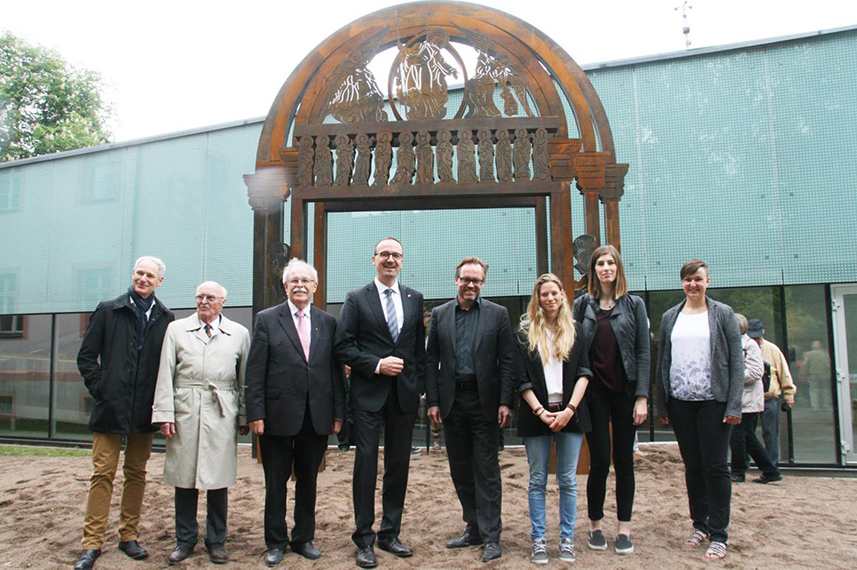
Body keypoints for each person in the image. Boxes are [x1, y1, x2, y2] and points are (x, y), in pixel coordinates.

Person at [74, 257, 175, 570]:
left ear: (160, 281)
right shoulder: (108, 309)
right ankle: (92, 543)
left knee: (136, 473)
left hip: (144, 412)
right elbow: (86, 357)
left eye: (149, 275)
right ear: (133, 275)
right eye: (138, 273)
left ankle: (128, 535)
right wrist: (102, 388)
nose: (142, 279)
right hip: (111, 408)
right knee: (102, 472)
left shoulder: (165, 317)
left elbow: (166, 365)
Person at [245, 259, 345, 567]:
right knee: (275, 483)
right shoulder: (266, 319)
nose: (300, 285)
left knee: (308, 481)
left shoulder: (328, 322)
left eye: (306, 280)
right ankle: (275, 542)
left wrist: (338, 412)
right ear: (285, 286)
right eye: (294, 281)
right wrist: (256, 413)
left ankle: (304, 538)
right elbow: (255, 371)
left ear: (315, 287)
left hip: (316, 416)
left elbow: (335, 371)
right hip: (276, 416)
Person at [334, 237, 426, 569]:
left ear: (402, 261)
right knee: (366, 465)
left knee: (398, 466)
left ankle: (390, 533)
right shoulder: (356, 298)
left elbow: (419, 351)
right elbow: (343, 346)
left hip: (403, 396)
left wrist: (419, 388)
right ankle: (364, 538)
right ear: (373, 259)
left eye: (396, 255)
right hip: (368, 395)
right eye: (384, 254)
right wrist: (376, 364)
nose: (390, 260)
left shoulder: (414, 298)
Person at [151, 281, 250, 565]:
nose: (204, 302)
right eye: (200, 297)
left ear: (223, 302)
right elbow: (165, 372)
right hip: (186, 406)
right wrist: (164, 414)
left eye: (210, 297)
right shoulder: (176, 329)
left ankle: (216, 540)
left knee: (218, 478)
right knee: (185, 477)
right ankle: (185, 539)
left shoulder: (239, 333)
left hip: (222, 410)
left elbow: (244, 379)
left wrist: (243, 415)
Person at [425, 257, 515, 563]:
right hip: (452, 402)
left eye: (476, 280)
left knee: (486, 470)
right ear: (456, 281)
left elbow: (508, 359)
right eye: (465, 279)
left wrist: (506, 401)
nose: (470, 285)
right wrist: (434, 401)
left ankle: (492, 536)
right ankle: (473, 526)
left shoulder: (498, 314)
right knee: (460, 468)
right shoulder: (439, 315)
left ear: (483, 284)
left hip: (485, 402)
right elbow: (431, 360)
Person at [655, 259, 743, 561]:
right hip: (681, 402)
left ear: (708, 281)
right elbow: (663, 360)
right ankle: (700, 524)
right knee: (692, 466)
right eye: (688, 279)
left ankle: (719, 533)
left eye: (698, 279)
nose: (693, 284)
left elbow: (736, 362)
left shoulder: (723, 314)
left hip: (713, 402)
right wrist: (662, 402)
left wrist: (734, 405)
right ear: (682, 283)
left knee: (716, 467)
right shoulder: (670, 316)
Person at [572, 245, 650, 555]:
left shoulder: (634, 305)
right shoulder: (581, 306)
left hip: (626, 392)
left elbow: (644, 351)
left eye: (611, 262)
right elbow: (574, 352)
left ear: (618, 268)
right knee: (600, 461)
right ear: (593, 270)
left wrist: (642, 396)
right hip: (594, 394)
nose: (606, 268)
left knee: (625, 461)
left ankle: (625, 529)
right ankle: (595, 526)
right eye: (600, 263)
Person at [515, 273, 591, 564]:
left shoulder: (578, 331)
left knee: (568, 480)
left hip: (571, 412)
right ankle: (539, 540)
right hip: (537, 413)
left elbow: (585, 373)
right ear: (538, 298)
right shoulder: (524, 333)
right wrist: (540, 411)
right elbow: (521, 380)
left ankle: (567, 540)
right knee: (537, 480)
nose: (550, 298)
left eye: (554, 293)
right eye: (544, 294)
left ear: (562, 296)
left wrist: (569, 410)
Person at [729, 314, 782, 484]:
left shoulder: (749, 345)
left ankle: (739, 471)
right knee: (747, 436)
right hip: (741, 400)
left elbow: (755, 372)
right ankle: (769, 470)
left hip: (748, 401)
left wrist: (731, 377)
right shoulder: (737, 343)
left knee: (738, 436)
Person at [746, 318, 796, 465]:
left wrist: (789, 396)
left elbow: (784, 373)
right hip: (750, 397)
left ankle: (771, 465)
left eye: (757, 337)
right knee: (747, 433)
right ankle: (746, 462)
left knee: (770, 434)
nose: (755, 340)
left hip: (769, 397)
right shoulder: (743, 348)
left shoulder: (772, 350)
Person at [802, 340, 831, 410]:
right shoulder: (825, 354)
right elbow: (829, 364)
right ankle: (826, 405)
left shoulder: (808, 354)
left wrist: (804, 374)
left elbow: (805, 365)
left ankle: (815, 406)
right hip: (825, 374)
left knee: (814, 390)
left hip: (813, 374)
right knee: (825, 390)